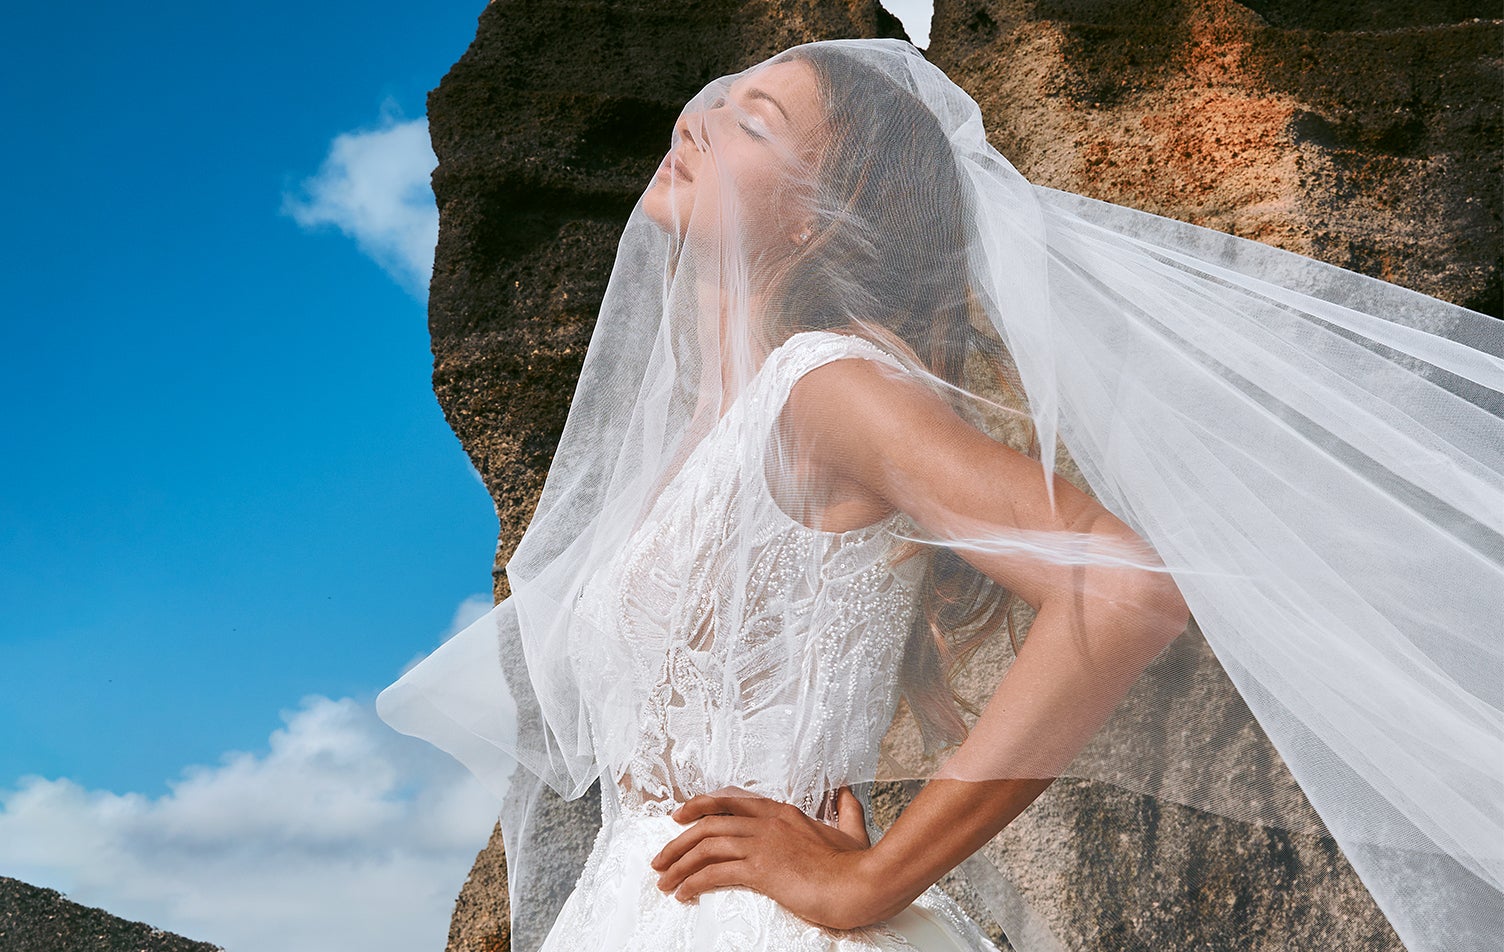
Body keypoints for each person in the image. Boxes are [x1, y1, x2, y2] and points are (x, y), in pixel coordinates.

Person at [379, 38, 1503, 952]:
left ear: (820, 215)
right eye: (717, 98)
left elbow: (1123, 589)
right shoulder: (714, 429)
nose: (695, 118)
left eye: (753, 122)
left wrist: (873, 875)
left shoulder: (824, 387)